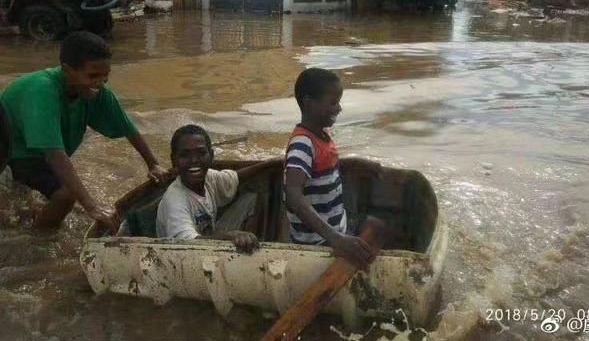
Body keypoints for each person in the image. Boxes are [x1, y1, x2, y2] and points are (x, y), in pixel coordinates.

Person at [0, 32, 170, 233]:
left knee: (46, 195)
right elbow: (54, 155)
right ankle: (36, 240)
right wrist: (92, 206)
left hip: (39, 150)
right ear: (67, 70)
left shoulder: (94, 91)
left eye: (106, 75)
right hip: (14, 149)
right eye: (93, 76)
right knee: (65, 195)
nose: (101, 82)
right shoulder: (43, 92)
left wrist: (153, 164)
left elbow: (127, 127)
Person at [284, 68, 381, 269]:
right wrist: (335, 238)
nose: (339, 109)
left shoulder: (321, 136)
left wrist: (353, 163)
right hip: (318, 243)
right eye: (333, 102)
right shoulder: (302, 144)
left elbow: (323, 168)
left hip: (337, 228)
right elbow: (293, 194)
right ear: (309, 103)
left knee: (380, 225)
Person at [156, 124, 278, 253]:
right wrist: (229, 236)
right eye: (184, 155)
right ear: (173, 160)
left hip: (209, 234)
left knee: (251, 199)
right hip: (186, 254)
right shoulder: (175, 201)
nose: (194, 160)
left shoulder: (209, 177)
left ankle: (251, 247)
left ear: (211, 155)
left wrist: (272, 162)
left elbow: (236, 177)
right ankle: (246, 251)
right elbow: (189, 245)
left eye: (201, 153)